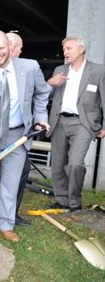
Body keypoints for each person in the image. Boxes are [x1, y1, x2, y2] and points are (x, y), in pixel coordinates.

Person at [0, 30, 50, 242]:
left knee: (11, 181)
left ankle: (5, 223)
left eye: (0, 48)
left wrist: (41, 116)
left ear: (8, 45)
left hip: (18, 135)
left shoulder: (30, 67)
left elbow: (43, 92)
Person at [46, 36, 105, 212]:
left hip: (83, 122)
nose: (65, 52)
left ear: (81, 49)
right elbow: (45, 95)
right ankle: (61, 199)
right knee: (57, 164)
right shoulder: (60, 69)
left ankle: (74, 201)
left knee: (74, 164)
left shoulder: (98, 71)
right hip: (59, 121)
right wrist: (50, 83)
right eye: (64, 49)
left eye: (69, 48)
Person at [6, 32, 31, 227]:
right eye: (20, 48)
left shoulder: (26, 71)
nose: (21, 51)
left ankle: (11, 213)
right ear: (12, 48)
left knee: (22, 170)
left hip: (20, 133)